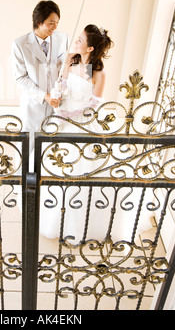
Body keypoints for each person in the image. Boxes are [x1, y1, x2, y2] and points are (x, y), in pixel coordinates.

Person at [40, 25, 153, 243]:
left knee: (82, 171)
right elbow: (61, 86)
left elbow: (93, 107)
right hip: (62, 118)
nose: (76, 42)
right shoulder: (71, 60)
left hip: (83, 124)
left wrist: (70, 113)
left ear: (90, 48)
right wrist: (56, 98)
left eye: (81, 40)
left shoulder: (98, 73)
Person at [12, 0, 68, 143]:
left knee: (51, 146)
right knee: (28, 143)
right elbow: (21, 78)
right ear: (39, 22)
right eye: (51, 22)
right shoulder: (20, 44)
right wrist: (44, 96)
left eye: (57, 22)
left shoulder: (62, 39)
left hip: (56, 103)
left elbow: (66, 67)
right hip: (33, 103)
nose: (55, 27)